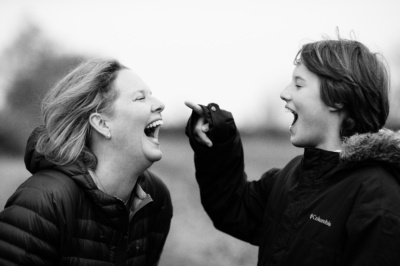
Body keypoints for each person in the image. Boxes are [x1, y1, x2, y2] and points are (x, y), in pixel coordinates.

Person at [185, 36, 400, 265]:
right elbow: (233, 207)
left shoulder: (378, 198)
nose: (284, 93)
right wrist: (219, 139)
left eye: (298, 84)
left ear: (337, 98)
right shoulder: (292, 176)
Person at [0, 58, 173, 265]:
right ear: (101, 124)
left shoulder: (156, 198)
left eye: (151, 95)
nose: (160, 104)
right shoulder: (44, 203)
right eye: (140, 98)